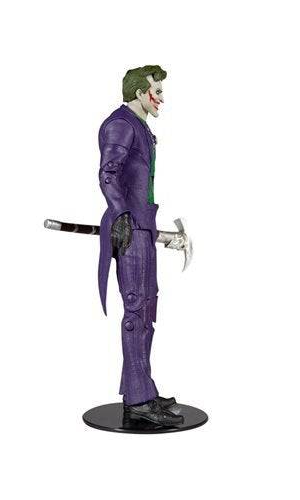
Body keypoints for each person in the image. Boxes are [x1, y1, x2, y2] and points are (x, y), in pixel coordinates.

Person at [97, 65, 183, 426]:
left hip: (143, 226)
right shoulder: (121, 124)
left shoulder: (141, 127)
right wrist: (121, 215)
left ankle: (142, 391)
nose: (161, 98)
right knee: (135, 313)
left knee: (147, 311)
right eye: (156, 91)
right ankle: (137, 401)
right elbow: (108, 174)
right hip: (129, 229)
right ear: (139, 92)